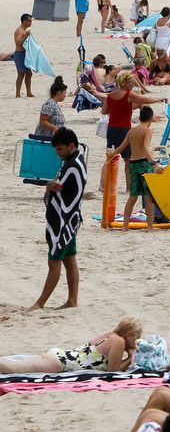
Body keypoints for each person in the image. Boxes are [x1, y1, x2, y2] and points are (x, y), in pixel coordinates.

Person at [27, 128, 88, 311]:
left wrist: (49, 185)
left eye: (60, 149)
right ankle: (72, 300)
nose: (58, 153)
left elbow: (56, 186)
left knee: (54, 263)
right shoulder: (77, 160)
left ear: (71, 146)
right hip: (71, 220)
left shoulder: (72, 165)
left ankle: (39, 304)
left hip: (62, 222)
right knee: (70, 260)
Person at [0, 316, 141, 372]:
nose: (137, 341)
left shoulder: (110, 335)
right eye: (137, 337)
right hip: (60, 363)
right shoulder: (119, 341)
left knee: (14, 365)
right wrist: (130, 358)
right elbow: (113, 371)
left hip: (60, 356)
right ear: (129, 335)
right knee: (13, 368)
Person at [109, 106, 163, 231]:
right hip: (144, 164)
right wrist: (154, 163)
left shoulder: (131, 131)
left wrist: (112, 155)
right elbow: (145, 148)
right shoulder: (148, 131)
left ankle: (125, 226)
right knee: (149, 197)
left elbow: (121, 148)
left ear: (139, 118)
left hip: (133, 164)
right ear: (151, 119)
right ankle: (150, 227)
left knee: (133, 196)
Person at [14, 13, 33, 98]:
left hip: (26, 55)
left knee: (29, 73)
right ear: (24, 21)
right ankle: (17, 94)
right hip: (19, 55)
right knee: (21, 74)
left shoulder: (24, 30)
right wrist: (26, 36)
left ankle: (29, 92)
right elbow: (18, 42)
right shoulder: (19, 30)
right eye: (29, 21)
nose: (31, 22)